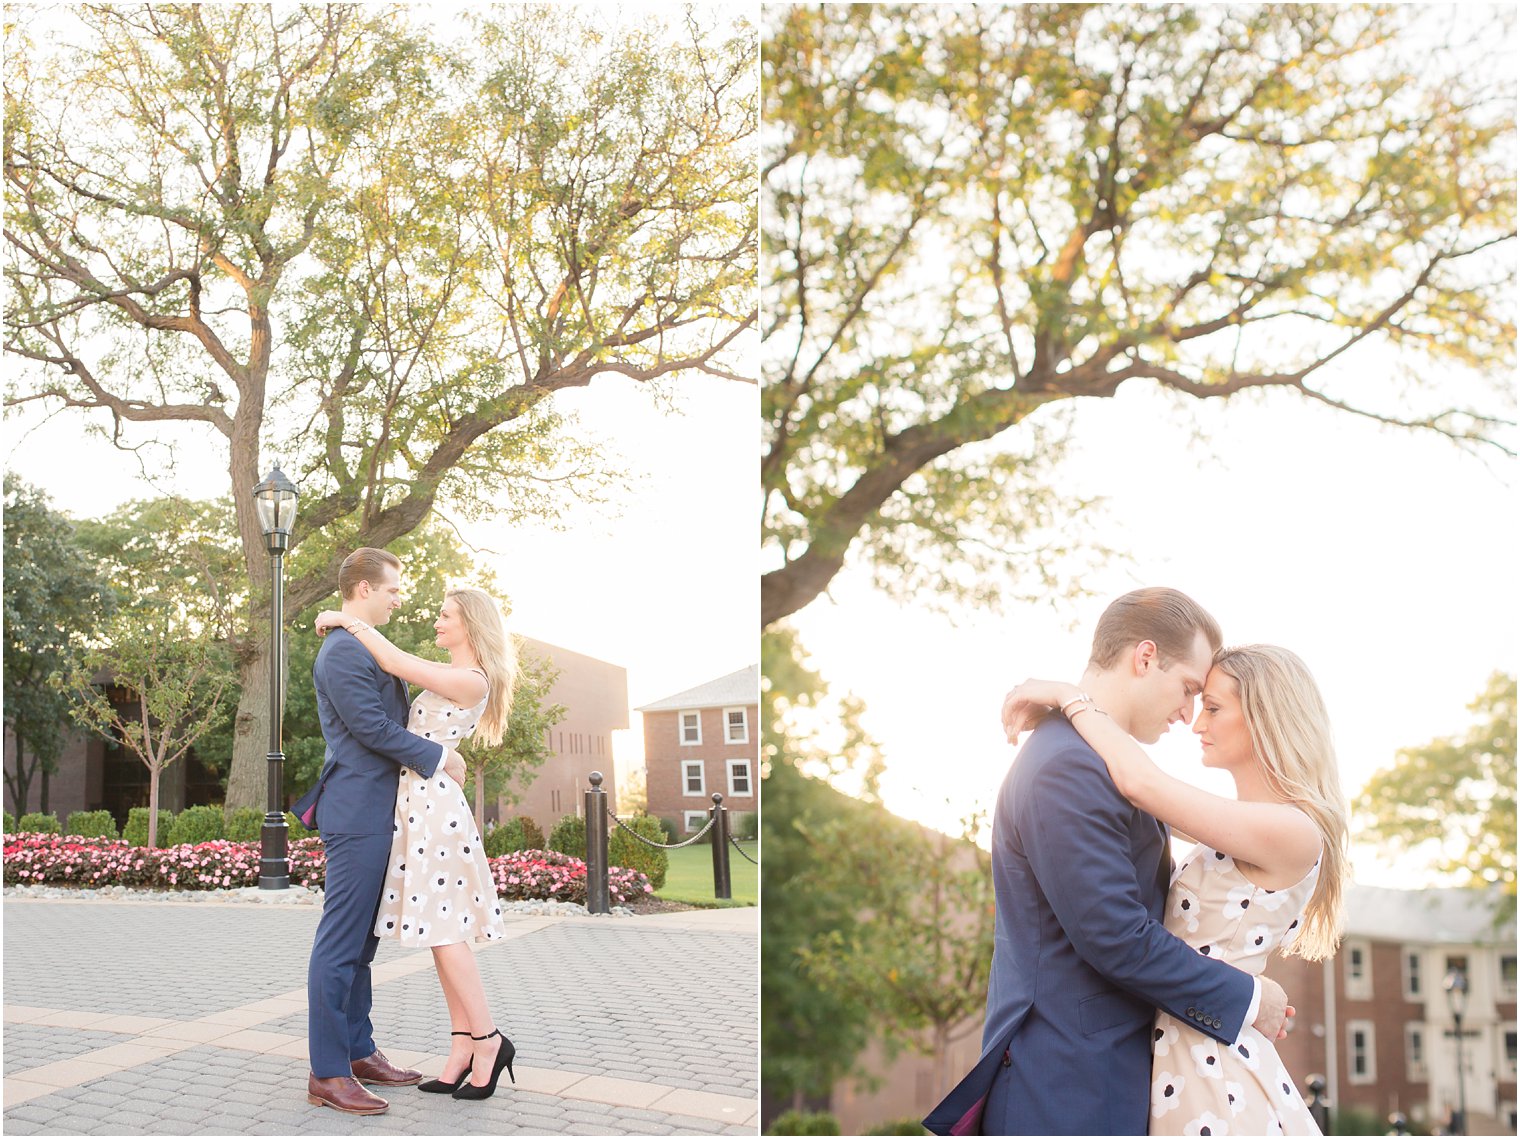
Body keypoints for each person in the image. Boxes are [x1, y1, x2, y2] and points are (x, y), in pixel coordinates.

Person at [924, 588, 1293, 1137]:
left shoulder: (1102, 762)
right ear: (1145, 658)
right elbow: (1116, 936)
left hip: (1101, 1076)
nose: (1189, 713)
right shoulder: (1066, 767)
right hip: (1066, 1084)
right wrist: (1246, 997)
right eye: (1189, 688)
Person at [999, 643, 1347, 1136]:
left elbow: (1141, 784)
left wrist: (1067, 695)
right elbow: (1138, 792)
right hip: (1181, 1058)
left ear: (1265, 716)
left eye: (1213, 707)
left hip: (1213, 1075)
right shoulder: (1239, 823)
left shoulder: (1292, 830)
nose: (1196, 723)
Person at [312, 584, 520, 1102]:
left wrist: (342, 618)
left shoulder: (470, 679)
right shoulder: (455, 673)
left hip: (432, 808)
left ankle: (489, 1040)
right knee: (438, 929)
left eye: (446, 615)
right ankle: (462, 1047)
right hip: (414, 803)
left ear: (471, 624)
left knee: (446, 930)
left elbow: (393, 661)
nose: (435, 621)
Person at [301, 547, 468, 1116]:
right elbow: (371, 728)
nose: (400, 597)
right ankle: (327, 1072)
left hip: (381, 810)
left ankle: (358, 1050)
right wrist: (439, 755)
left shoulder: (362, 641)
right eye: (393, 588)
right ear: (365, 588)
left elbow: (401, 674)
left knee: (362, 945)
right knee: (340, 943)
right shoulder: (342, 652)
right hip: (355, 811)